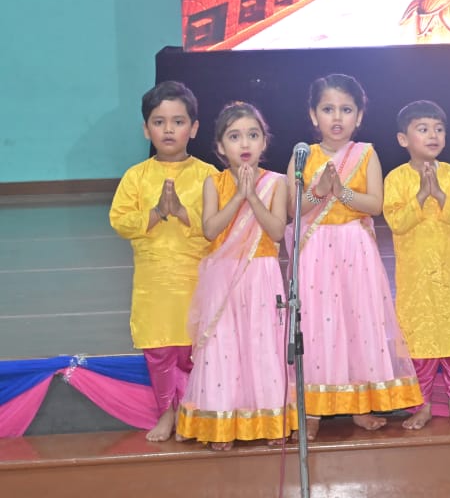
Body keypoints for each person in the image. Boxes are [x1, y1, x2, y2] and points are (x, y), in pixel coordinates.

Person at [287, 74, 421, 438]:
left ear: (359, 116)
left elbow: (375, 204)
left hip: (355, 248)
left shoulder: (365, 153)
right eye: (328, 109)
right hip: (316, 251)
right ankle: (313, 410)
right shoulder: (303, 155)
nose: (337, 117)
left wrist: (341, 192)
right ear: (313, 115)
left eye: (346, 110)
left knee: (358, 322)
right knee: (317, 326)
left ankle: (361, 404)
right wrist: (318, 191)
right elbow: (292, 209)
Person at [175, 102, 296, 449]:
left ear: (264, 142)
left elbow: (276, 231)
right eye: (234, 136)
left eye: (253, 135)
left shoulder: (276, 183)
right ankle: (221, 423)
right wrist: (238, 196)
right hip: (224, 277)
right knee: (224, 345)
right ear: (219, 146)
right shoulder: (213, 183)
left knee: (262, 343)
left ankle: (270, 421)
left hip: (261, 274)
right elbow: (210, 229)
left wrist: (252, 196)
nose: (245, 143)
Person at [109, 81, 217, 442]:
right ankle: (166, 414)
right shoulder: (136, 177)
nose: (168, 130)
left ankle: (192, 413)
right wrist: (156, 213)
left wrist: (183, 213)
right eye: (159, 122)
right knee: (158, 351)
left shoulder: (209, 176)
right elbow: (120, 221)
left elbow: (219, 227)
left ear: (194, 128)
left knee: (192, 350)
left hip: (195, 281)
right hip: (153, 285)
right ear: (146, 129)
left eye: (178, 121)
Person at [383, 100, 450, 430]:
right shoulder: (396, 179)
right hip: (416, 280)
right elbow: (396, 222)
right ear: (403, 139)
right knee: (419, 341)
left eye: (438, 129)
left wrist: (440, 194)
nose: (433, 135)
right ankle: (422, 406)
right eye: (423, 129)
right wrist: (421, 195)